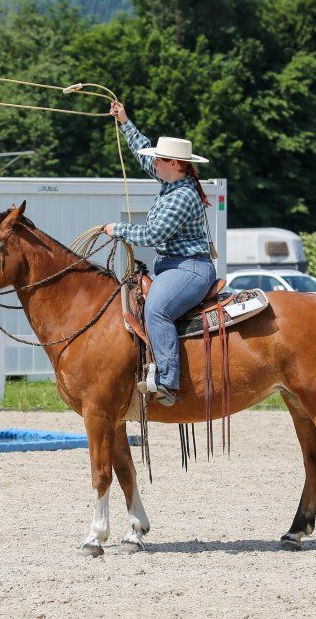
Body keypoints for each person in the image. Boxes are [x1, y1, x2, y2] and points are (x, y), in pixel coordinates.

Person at [103, 101, 216, 406]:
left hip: (189, 268)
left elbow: (154, 235)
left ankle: (167, 380)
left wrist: (119, 229)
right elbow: (143, 154)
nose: (155, 164)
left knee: (156, 309)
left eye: (160, 160)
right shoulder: (174, 182)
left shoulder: (181, 196)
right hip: (174, 267)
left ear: (175, 164)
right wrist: (125, 121)